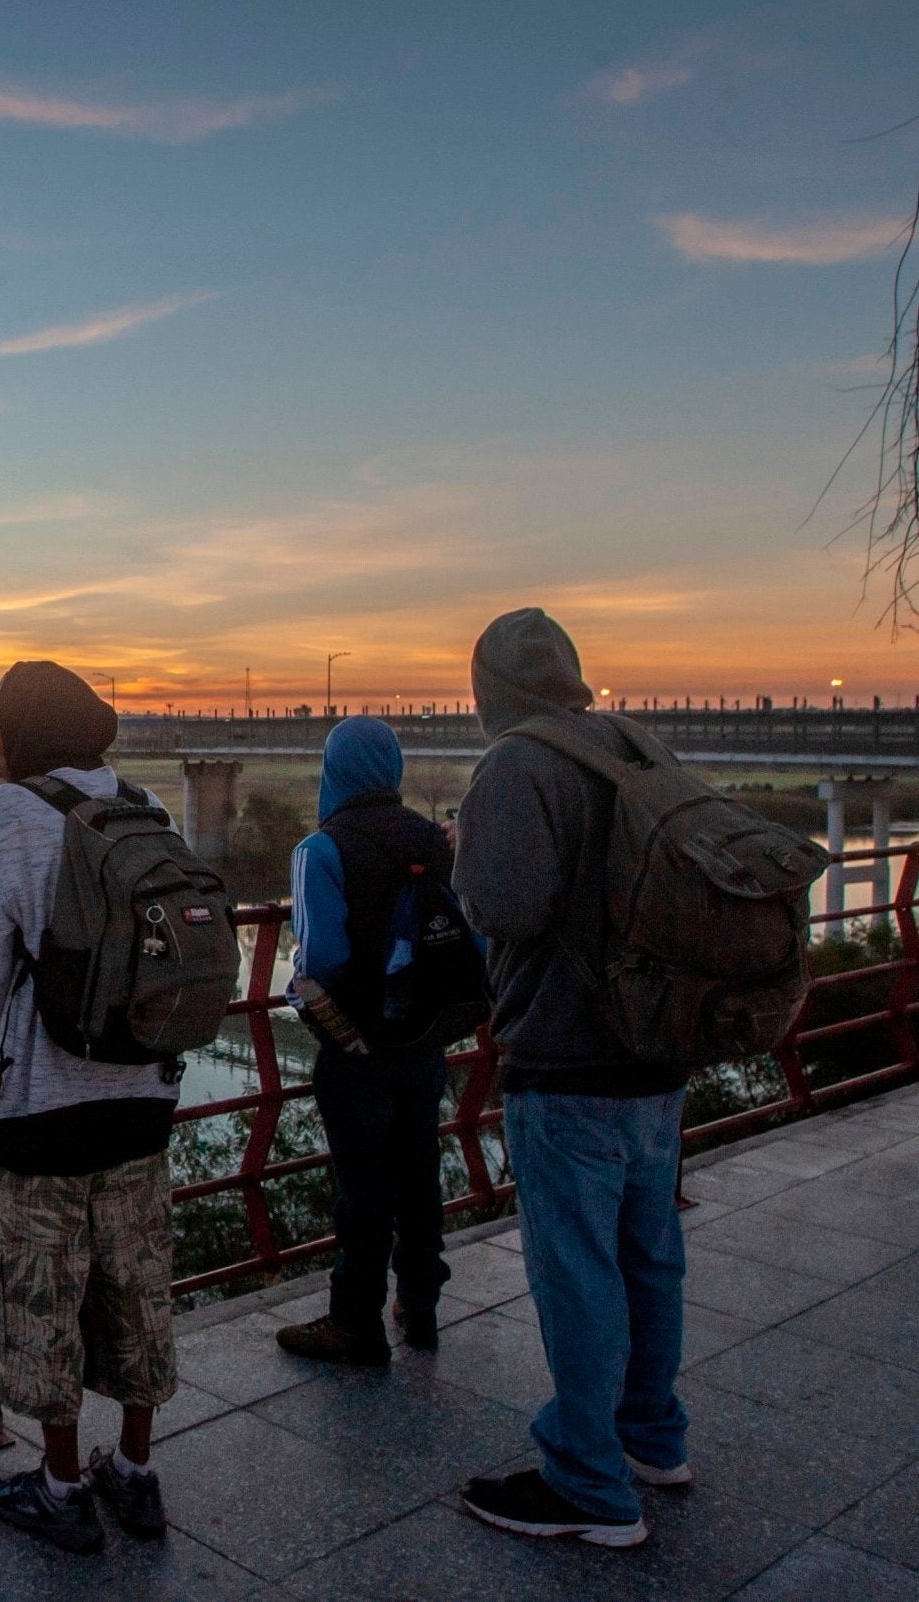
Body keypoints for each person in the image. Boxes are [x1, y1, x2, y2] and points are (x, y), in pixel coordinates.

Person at [452, 608, 689, 1549]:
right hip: (657, 1052)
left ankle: (590, 1484)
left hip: (568, 1055)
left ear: (490, 691)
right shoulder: (638, 743)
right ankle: (653, 1439)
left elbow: (503, 903)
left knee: (577, 1267)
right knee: (649, 1252)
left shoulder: (517, 762)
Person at [0, 659, 181, 1555]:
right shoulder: (142, 807)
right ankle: (136, 1471)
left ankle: (60, 1484)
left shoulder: (9, 815)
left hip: (44, 1109)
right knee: (135, 1284)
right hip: (144, 1098)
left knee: (39, 1295)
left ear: (25, 736)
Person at [274, 715, 455, 1367]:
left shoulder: (321, 849)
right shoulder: (432, 839)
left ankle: (355, 1321)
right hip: (424, 1042)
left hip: (357, 1049)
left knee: (363, 1188)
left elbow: (321, 955)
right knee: (420, 1173)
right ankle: (422, 1305)